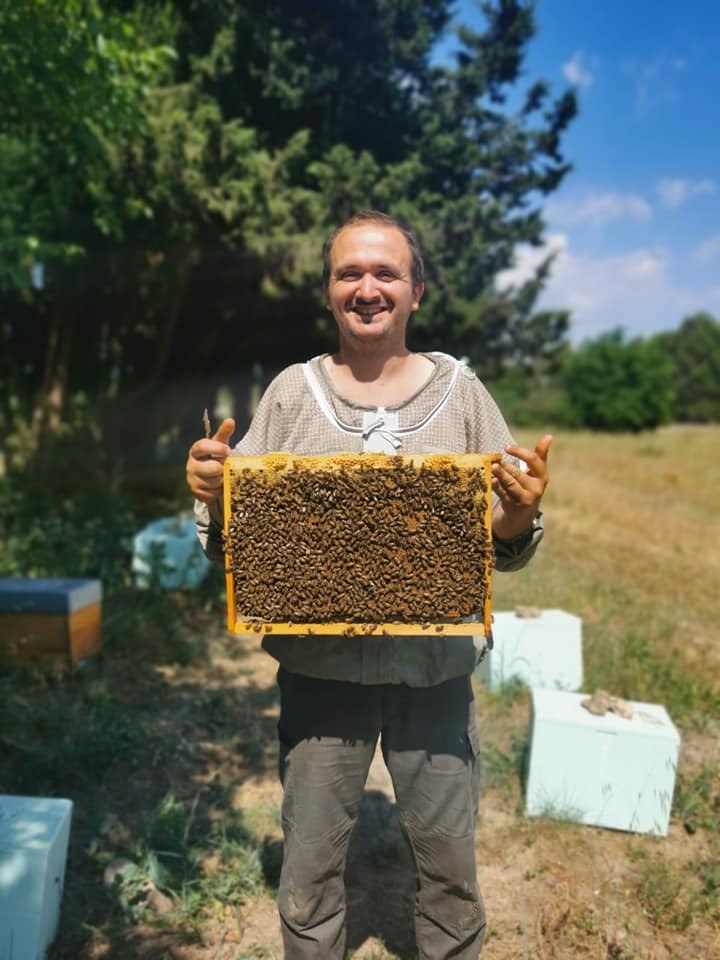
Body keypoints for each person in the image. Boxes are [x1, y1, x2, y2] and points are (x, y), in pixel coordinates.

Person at [186, 210, 551, 959]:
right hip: (322, 680)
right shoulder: (290, 395)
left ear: (416, 291)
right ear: (328, 293)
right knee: (311, 870)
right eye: (349, 272)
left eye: (386, 272)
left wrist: (516, 516)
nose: (367, 287)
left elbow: (505, 545)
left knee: (450, 874)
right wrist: (218, 500)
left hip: (435, 677)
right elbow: (234, 549)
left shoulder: (464, 394)